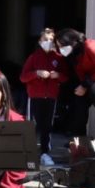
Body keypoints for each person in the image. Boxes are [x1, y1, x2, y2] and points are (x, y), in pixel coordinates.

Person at [20, 28, 69, 165]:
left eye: (50, 40)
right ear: (40, 41)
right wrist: (37, 73)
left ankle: (44, 153)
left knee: (47, 126)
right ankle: (29, 153)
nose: (48, 42)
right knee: (33, 125)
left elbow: (66, 77)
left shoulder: (58, 58)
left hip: (51, 97)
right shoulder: (33, 57)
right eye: (45, 39)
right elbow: (23, 77)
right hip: (35, 96)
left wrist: (58, 75)